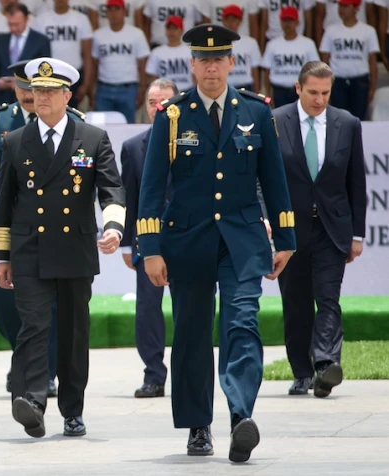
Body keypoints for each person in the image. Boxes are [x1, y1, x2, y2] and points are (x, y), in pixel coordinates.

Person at [137, 24, 296, 462]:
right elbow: (152, 188)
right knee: (190, 331)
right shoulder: (171, 115)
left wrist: (285, 238)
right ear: (191, 65)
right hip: (186, 241)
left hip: (243, 239)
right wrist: (150, 248)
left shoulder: (257, 112)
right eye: (202, 60)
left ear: (231, 63)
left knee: (242, 321)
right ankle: (197, 425)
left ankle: (241, 416)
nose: (211, 67)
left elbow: (275, 182)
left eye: (219, 59)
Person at [0, 57, 126, 439]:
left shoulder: (92, 138)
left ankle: (72, 409)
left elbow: (112, 189)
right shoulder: (15, 140)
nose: (43, 98)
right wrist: (2, 257)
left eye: (51, 91)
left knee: (72, 332)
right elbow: (4, 203)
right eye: (37, 91)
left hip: (74, 249)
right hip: (30, 247)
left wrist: (114, 227)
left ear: (68, 95)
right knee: (33, 325)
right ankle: (32, 402)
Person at [0, 59, 84, 396]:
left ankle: (44, 370)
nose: (28, 95)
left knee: (49, 304)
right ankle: (23, 355)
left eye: (33, 89)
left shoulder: (75, 122)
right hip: (13, 227)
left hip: (55, 229)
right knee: (3, 297)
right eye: (22, 88)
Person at [273, 61, 367, 398]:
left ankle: (326, 366)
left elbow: (356, 181)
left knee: (328, 298)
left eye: (325, 93)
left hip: (332, 227)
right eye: (313, 92)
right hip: (290, 229)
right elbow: (263, 177)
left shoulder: (347, 123)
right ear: (298, 88)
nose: (319, 99)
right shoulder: (276, 121)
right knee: (296, 301)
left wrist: (357, 234)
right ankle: (301, 371)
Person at [119, 78, 177, 399]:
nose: (158, 109)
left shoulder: (193, 141)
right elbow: (129, 199)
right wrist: (128, 243)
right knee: (148, 311)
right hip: (149, 240)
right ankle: (153, 374)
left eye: (164, 103)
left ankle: (188, 370)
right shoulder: (133, 147)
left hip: (188, 239)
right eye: (152, 103)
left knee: (191, 307)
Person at [0, 3, 50, 106]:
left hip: (30, 98)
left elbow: (44, 72)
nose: (13, 28)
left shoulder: (41, 41)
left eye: (17, 24)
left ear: (26, 19)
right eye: (10, 24)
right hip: (2, 100)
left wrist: (23, 82)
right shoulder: (0, 40)